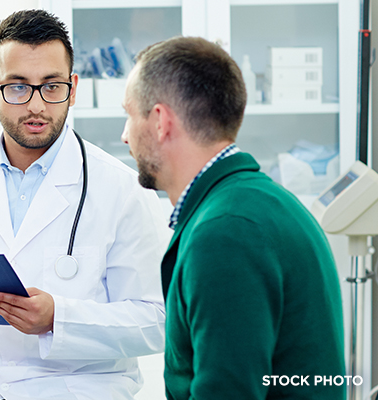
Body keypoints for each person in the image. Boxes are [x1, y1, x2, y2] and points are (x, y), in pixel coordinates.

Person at [0, 9, 168, 400]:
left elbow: (157, 320)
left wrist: (60, 318)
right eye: (17, 87)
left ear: (72, 88)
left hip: (79, 385)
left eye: (51, 86)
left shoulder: (122, 188)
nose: (36, 105)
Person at [121, 36, 345, 399]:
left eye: (129, 115)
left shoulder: (224, 232)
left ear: (160, 121)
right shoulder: (261, 201)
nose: (125, 135)